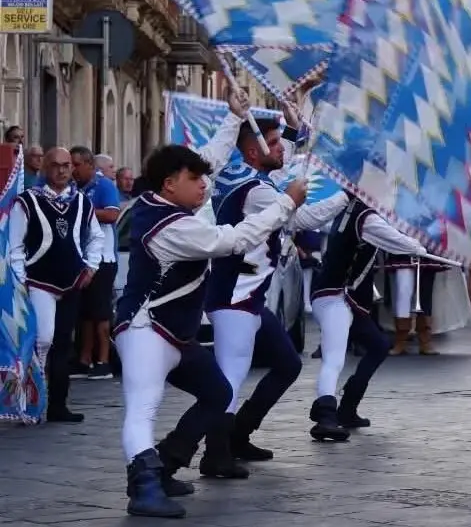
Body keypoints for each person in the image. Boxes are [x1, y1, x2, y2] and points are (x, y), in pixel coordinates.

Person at [114, 144, 308, 518]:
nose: (205, 184)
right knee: (142, 409)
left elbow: (212, 160)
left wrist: (234, 120)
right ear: (170, 184)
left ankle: (167, 462)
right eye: (195, 179)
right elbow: (232, 241)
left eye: (203, 178)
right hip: (145, 330)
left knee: (218, 392)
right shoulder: (171, 226)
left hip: (173, 332)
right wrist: (286, 203)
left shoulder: (166, 205)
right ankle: (144, 487)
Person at [203, 105, 349, 475]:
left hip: (247, 298)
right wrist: (347, 195)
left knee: (287, 363)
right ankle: (215, 454)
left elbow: (281, 168)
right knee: (231, 377)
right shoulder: (255, 192)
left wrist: (292, 131)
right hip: (233, 296)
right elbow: (301, 217)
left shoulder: (253, 180)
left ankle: (239, 434)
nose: (281, 149)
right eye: (272, 143)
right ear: (253, 152)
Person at [307, 196, 428, 441]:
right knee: (334, 358)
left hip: (344, 298)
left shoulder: (349, 209)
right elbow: (397, 241)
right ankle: (326, 417)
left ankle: (347, 408)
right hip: (335, 297)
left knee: (378, 345)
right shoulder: (365, 216)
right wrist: (419, 248)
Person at [8, 147, 105, 422]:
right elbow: (15, 245)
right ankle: (31, 402)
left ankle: (58, 405)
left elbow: (95, 236)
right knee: (42, 340)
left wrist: (92, 266)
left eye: (66, 165)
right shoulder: (26, 201)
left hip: (72, 281)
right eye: (55, 165)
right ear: (44, 168)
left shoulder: (82, 201)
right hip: (39, 281)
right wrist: (21, 280)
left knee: (64, 344)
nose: (61, 170)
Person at [69, 146, 122, 380]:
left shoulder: (103, 186)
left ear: (90, 165)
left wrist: (81, 210)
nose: (72, 170)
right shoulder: (74, 188)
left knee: (101, 313)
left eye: (76, 165)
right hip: (82, 256)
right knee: (86, 313)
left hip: (102, 258)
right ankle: (84, 360)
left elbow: (112, 214)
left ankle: (103, 361)